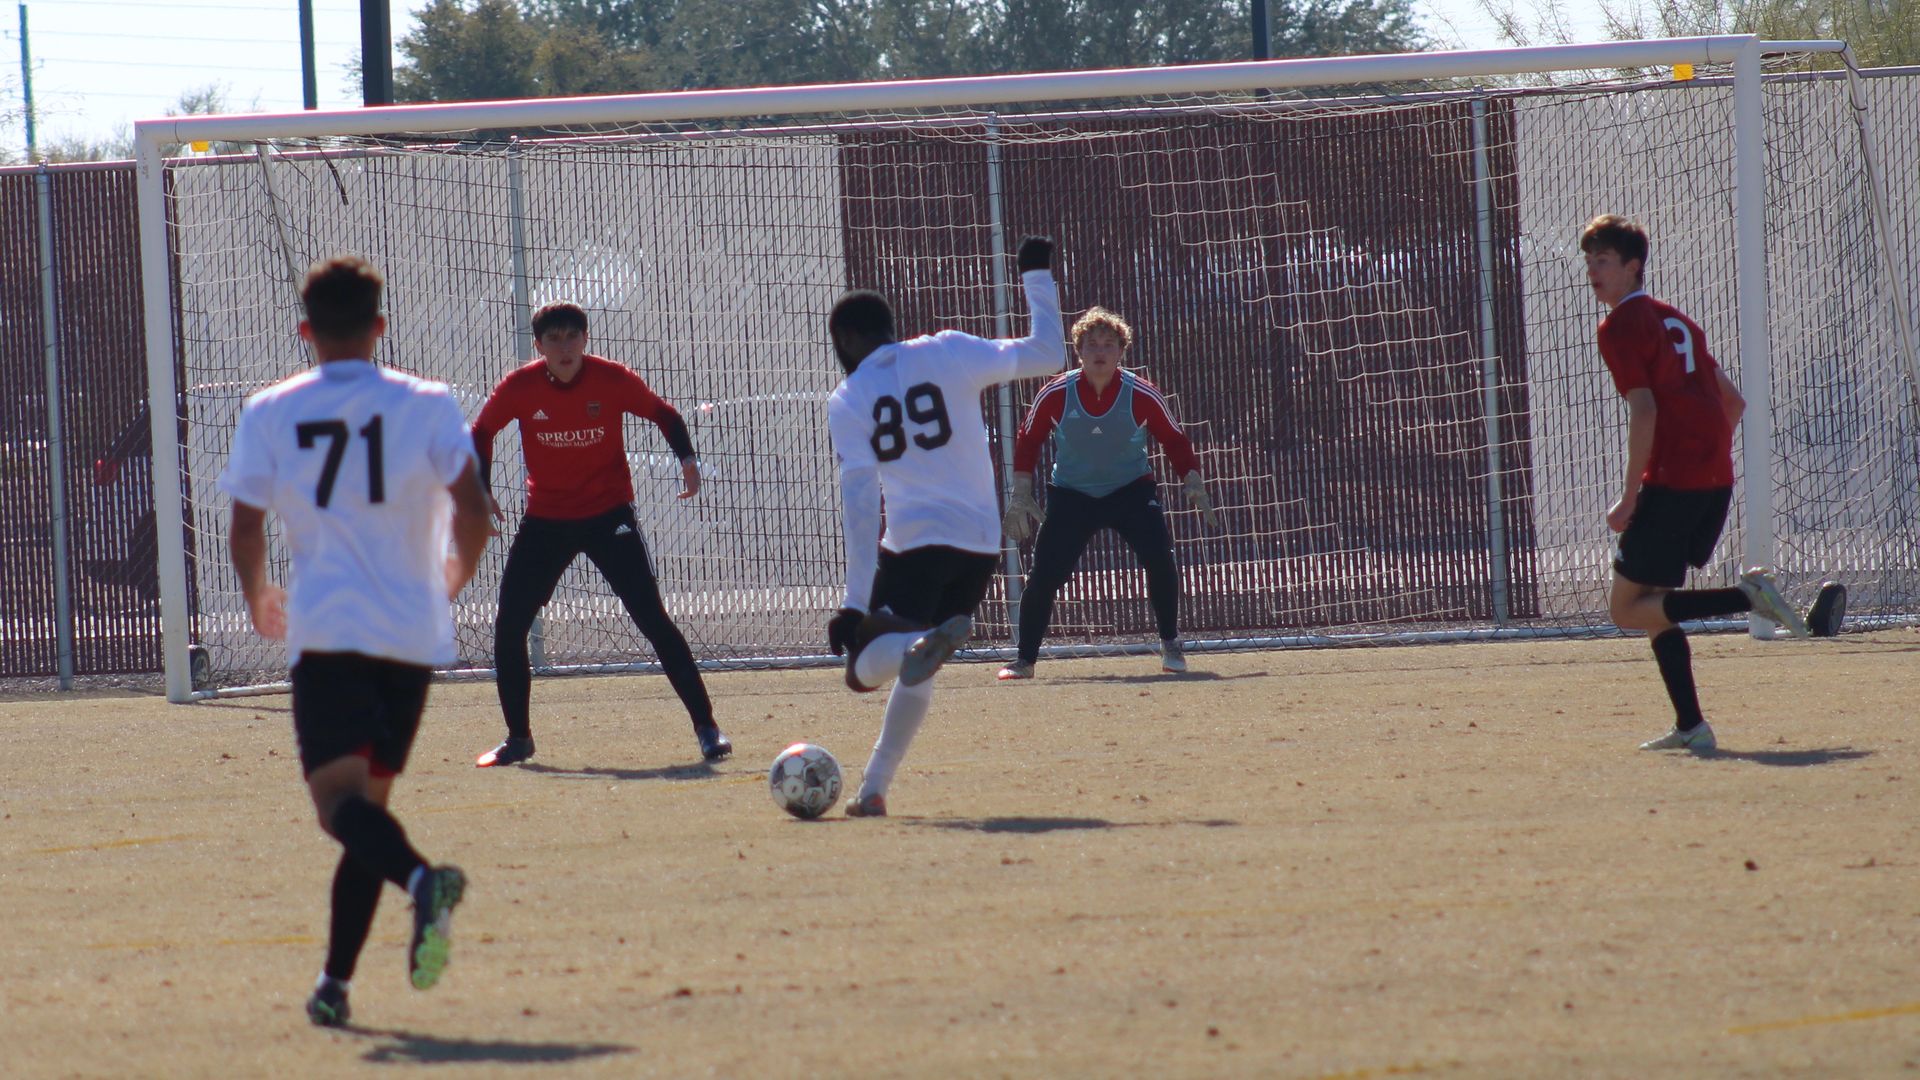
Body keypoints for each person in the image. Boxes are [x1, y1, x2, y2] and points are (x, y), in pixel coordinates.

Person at [218, 254, 492, 1027]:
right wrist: (452, 579)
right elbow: (474, 508)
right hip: (410, 632)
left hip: (331, 629)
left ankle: (422, 883)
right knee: (368, 809)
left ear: (305, 331)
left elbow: (244, 523)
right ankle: (334, 986)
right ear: (380, 327)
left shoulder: (270, 408)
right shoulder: (430, 401)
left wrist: (256, 592)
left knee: (338, 807)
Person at [826, 234, 1066, 817]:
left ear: (851, 340)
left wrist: (854, 601)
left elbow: (860, 503)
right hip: (980, 547)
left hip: (914, 546)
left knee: (862, 671)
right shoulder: (947, 349)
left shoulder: (849, 396)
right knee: (918, 666)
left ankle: (913, 643)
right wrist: (1036, 275)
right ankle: (873, 788)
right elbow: (1047, 354)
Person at [1582, 215, 1837, 752]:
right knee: (1656, 607)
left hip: (1673, 483)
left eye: (1602, 261)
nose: (1592, 271)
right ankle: (1692, 726)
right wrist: (1706, 456)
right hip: (1713, 479)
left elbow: (1644, 410)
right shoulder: (1677, 319)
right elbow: (1733, 402)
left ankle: (1746, 596)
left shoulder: (1621, 327)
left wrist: (1630, 497)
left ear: (1633, 268)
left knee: (1626, 611)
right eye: (1589, 260)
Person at [470, 302, 730, 768]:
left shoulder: (611, 379)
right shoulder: (521, 386)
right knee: (509, 624)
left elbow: (664, 414)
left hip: (609, 516)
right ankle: (518, 738)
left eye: (573, 336)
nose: (565, 347)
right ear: (539, 346)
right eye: (554, 339)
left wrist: (687, 461)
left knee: (652, 618)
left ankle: (707, 727)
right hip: (546, 519)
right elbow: (481, 431)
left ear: (585, 339)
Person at [996, 307, 1217, 680]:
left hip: (1131, 491)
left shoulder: (1141, 392)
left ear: (1121, 351)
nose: (1101, 351)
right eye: (1092, 344)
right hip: (1071, 494)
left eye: (1109, 344)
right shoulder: (1056, 392)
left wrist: (1192, 482)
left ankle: (1170, 645)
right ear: (1078, 350)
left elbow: (1174, 439)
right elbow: (1028, 438)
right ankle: (1024, 660)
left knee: (1160, 557)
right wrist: (1020, 492)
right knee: (1044, 575)